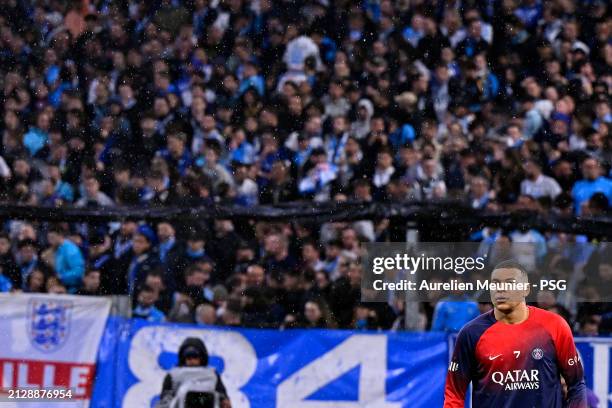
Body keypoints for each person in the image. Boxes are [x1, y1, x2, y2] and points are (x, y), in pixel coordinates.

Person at [444, 260, 586, 407]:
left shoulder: (554, 325)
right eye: (495, 283)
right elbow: (454, 393)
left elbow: (576, 384)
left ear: (526, 289)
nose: (501, 289)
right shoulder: (471, 333)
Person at [158, 337, 230, 408]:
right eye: (188, 357)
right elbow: (166, 396)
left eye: (195, 357)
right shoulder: (174, 375)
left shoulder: (212, 374)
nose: (192, 360)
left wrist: (223, 400)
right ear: (183, 358)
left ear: (201, 357)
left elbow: (221, 393)